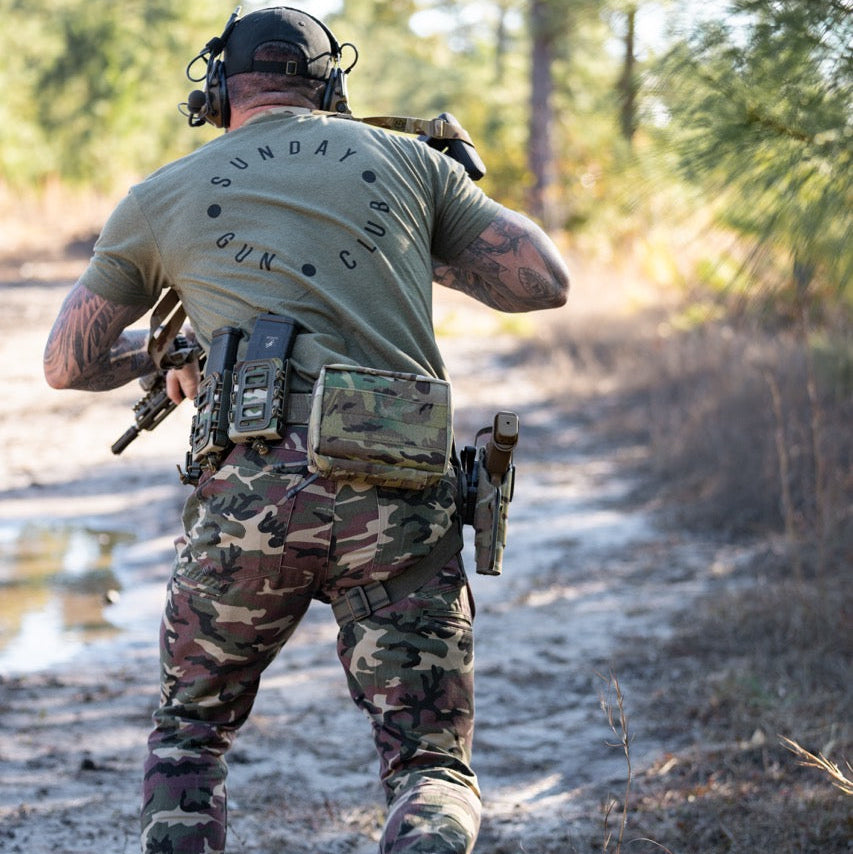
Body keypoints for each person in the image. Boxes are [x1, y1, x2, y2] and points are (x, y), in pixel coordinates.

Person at [43, 7, 569, 854]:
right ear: (330, 85)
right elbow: (544, 281)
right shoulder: (410, 164)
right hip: (398, 489)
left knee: (189, 736)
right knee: (429, 764)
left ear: (217, 91)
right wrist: (442, 211)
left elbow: (68, 362)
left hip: (251, 499)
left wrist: (169, 356)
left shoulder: (160, 195)